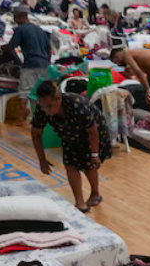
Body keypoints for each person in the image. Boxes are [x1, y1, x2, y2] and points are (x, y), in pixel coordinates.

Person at [30, 79, 113, 211]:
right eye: (43, 106)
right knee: (70, 165)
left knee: (88, 165)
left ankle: (95, 193)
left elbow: (92, 130)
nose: (45, 110)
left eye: (49, 106)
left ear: (58, 99)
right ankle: (80, 202)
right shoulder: (43, 109)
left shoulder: (76, 105)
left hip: (92, 133)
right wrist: (42, 159)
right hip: (69, 135)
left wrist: (95, 154)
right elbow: (36, 134)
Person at [3, 6, 51, 120]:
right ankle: (44, 114)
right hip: (45, 65)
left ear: (20, 17)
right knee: (42, 91)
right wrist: (47, 61)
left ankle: (23, 112)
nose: (14, 19)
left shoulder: (20, 29)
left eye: (15, 17)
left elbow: (11, 47)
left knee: (25, 90)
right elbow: (49, 50)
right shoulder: (40, 30)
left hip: (31, 64)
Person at [109, 46, 150, 126]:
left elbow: (138, 72)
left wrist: (147, 89)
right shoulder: (134, 54)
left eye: (116, 62)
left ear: (117, 56)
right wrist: (147, 87)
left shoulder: (127, 55)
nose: (118, 64)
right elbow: (144, 71)